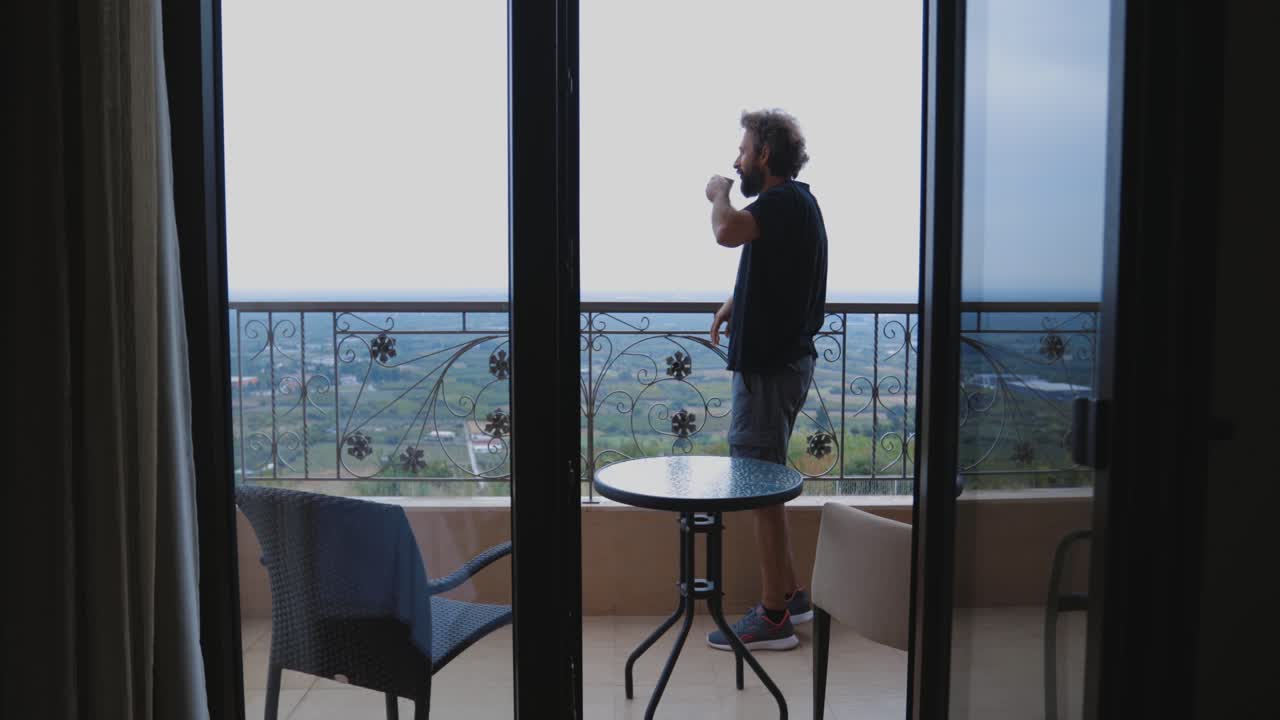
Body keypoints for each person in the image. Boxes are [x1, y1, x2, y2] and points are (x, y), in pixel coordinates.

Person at [704, 109, 828, 652]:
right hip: (783, 363)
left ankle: (774, 616)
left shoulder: (780, 203)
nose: (737, 160)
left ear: (765, 155)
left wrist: (718, 194)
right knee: (767, 484)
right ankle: (792, 595)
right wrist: (738, 300)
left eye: (743, 150)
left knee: (760, 487)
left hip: (770, 369)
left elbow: (727, 230)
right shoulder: (799, 204)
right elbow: (781, 272)